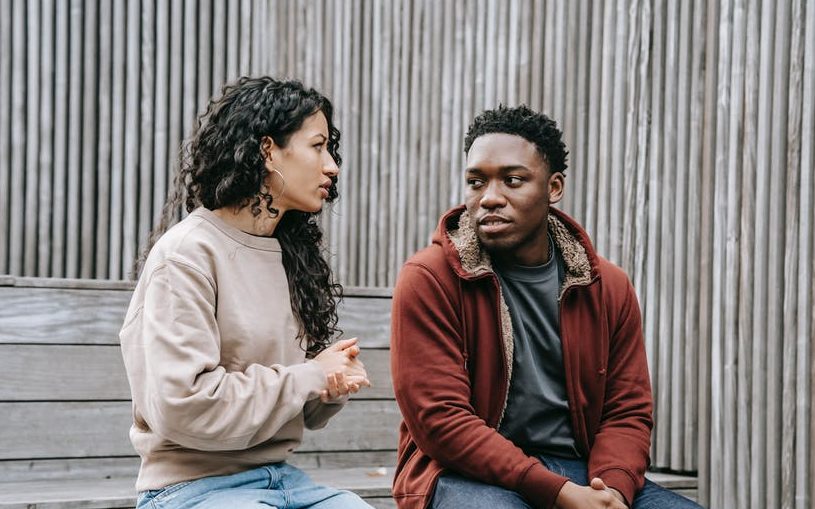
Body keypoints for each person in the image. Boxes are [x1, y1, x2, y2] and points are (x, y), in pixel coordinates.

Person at [390, 105, 703, 509]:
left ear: (553, 188)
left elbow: (627, 411)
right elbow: (441, 422)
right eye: (475, 182)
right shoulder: (430, 278)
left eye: (513, 180)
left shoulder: (607, 287)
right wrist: (557, 494)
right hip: (463, 474)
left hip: (583, 469)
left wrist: (609, 492)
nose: (489, 198)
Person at [120, 76, 374, 509]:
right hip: (190, 487)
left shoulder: (290, 256)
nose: (332, 165)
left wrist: (328, 386)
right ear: (267, 149)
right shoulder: (186, 255)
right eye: (318, 146)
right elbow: (183, 406)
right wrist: (307, 376)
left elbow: (297, 407)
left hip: (282, 480)